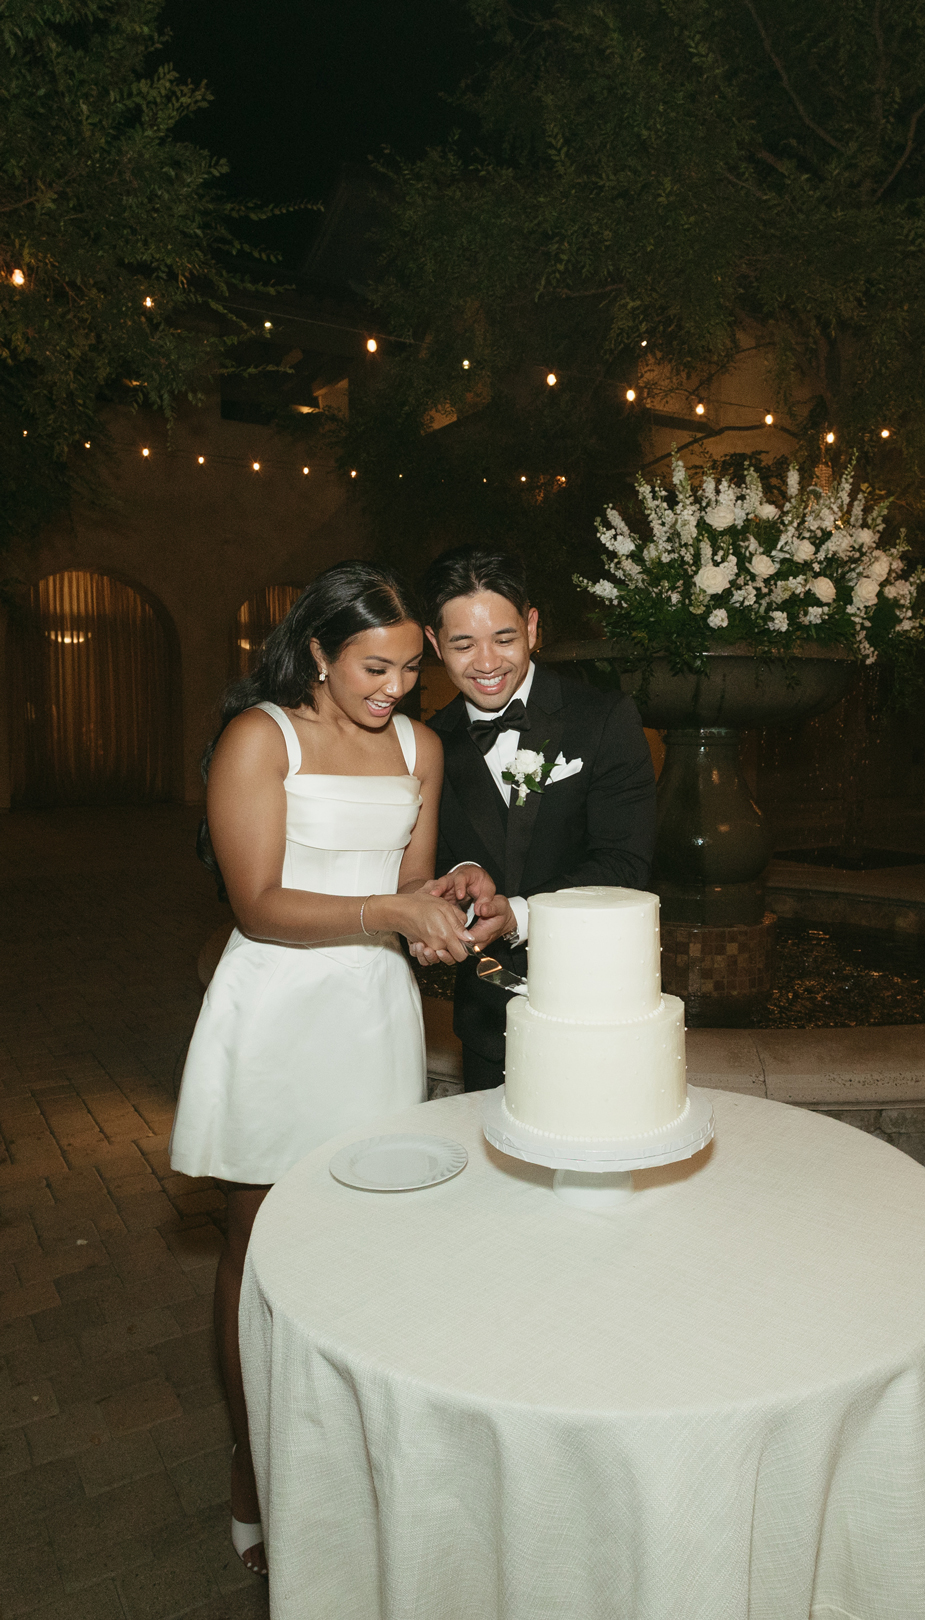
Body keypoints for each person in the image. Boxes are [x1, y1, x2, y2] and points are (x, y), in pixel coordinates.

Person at [169, 561, 501, 1576]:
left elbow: (407, 888)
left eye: (410, 667)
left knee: (369, 1243)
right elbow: (260, 903)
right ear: (316, 652)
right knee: (259, 1245)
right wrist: (389, 914)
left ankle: (352, 1459)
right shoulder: (257, 738)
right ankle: (254, 1470)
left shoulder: (422, 747)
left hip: (370, 1013)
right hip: (276, 1008)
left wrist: (450, 895)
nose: (395, 688)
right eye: (372, 666)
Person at [417, 546, 658, 1090]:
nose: (486, 663)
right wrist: (453, 888)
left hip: (597, 1001)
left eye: (504, 638)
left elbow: (626, 863)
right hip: (487, 1019)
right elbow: (429, 864)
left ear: (531, 626)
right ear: (434, 643)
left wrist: (521, 914)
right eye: (462, 644)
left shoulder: (604, 718)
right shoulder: (426, 743)